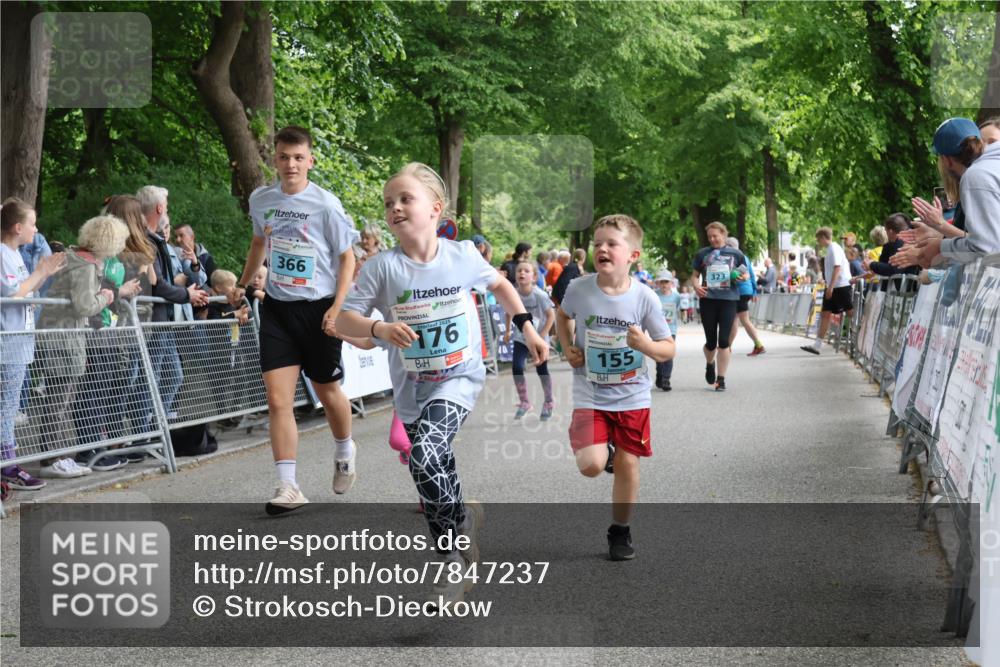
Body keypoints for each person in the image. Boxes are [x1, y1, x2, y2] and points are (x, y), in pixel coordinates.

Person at [337, 161, 548, 603]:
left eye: (405, 199)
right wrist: (379, 330)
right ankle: (462, 524)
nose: (395, 207)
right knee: (432, 468)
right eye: (388, 202)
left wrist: (527, 328)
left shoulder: (462, 255)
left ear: (435, 208)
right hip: (412, 387)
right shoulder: (381, 268)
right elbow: (341, 319)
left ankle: (452, 561)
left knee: (427, 451)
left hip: (459, 376)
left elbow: (502, 287)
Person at [229, 125, 359, 514]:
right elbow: (258, 243)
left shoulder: (326, 205)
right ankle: (287, 486)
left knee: (327, 389)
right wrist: (243, 282)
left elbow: (347, 258)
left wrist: (337, 307)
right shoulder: (261, 199)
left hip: (317, 308)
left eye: (299, 157)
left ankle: (344, 449)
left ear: (310, 161)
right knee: (276, 398)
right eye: (284, 157)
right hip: (278, 308)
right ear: (275, 159)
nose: (291, 164)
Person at [555, 214, 674, 561]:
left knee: (628, 465)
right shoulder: (579, 289)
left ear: (633, 255)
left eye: (611, 244)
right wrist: (566, 346)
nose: (602, 249)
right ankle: (602, 449)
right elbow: (563, 316)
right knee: (592, 465)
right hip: (590, 393)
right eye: (597, 244)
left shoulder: (645, 298)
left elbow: (668, 347)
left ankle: (620, 530)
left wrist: (646, 346)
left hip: (632, 395)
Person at [1, 198, 66, 489]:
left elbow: (26, 291)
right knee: (6, 407)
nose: (35, 229)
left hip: (20, 342)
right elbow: (13, 293)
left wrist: (44, 275)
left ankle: (8, 462)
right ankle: (7, 464)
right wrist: (40, 273)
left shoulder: (14, 253)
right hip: (8, 344)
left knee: (10, 405)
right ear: (17, 227)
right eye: (32, 223)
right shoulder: (2, 254)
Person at [136, 186, 209, 427]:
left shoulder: (158, 242)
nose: (166, 208)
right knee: (151, 379)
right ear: (159, 208)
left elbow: (194, 277)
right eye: (165, 205)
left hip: (165, 320)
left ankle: (159, 427)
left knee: (173, 376)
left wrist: (191, 278)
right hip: (153, 320)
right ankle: (143, 431)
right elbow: (156, 285)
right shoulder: (145, 240)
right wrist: (185, 294)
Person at [690, 222, 749, 391]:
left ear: (723, 234)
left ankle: (721, 379)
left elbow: (745, 273)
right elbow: (694, 275)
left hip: (729, 300)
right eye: (709, 237)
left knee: (723, 341)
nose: (712, 239)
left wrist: (742, 278)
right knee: (711, 342)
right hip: (708, 300)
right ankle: (710, 363)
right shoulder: (702, 254)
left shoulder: (736, 254)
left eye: (715, 236)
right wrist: (696, 286)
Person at [504, 260, 555, 420]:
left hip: (539, 339)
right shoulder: (513, 293)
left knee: (542, 370)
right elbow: (508, 312)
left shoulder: (539, 295)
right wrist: (507, 330)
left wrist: (542, 337)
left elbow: (551, 316)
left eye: (526, 271)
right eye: (519, 271)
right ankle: (525, 402)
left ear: (534, 277)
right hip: (521, 337)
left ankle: (549, 401)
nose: (522, 273)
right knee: (517, 367)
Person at [801, 227, 853, 355]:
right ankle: (817, 345)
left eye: (818, 239)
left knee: (850, 311)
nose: (818, 242)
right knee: (825, 313)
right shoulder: (830, 249)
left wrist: (831, 287)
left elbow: (837, 268)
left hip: (840, 286)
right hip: (833, 286)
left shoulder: (834, 248)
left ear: (824, 237)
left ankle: (858, 337)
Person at [725, 237, 765, 357]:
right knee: (737, 320)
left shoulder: (733, 257)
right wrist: (753, 291)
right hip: (745, 291)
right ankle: (728, 348)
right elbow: (752, 275)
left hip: (739, 291)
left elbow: (733, 275)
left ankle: (758, 345)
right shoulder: (744, 257)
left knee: (741, 320)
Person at [653, 270, 680, 390]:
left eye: (667, 282)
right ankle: (659, 373)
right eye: (662, 282)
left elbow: (677, 310)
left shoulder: (676, 297)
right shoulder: (654, 295)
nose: (664, 285)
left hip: (671, 330)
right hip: (656, 330)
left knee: (668, 354)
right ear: (658, 283)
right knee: (659, 355)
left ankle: (666, 379)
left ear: (671, 283)